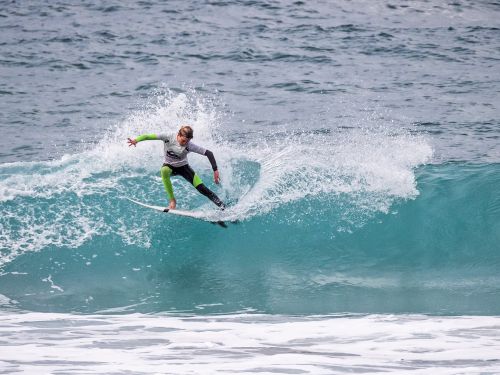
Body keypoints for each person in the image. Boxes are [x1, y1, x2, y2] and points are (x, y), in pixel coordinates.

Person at [127, 125, 225, 210]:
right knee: (164, 170)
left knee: (202, 189)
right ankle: (172, 201)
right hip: (169, 166)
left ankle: (222, 206)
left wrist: (215, 171)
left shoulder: (189, 145)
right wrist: (136, 140)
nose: (185, 143)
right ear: (178, 135)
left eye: (187, 141)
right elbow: (147, 136)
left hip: (184, 168)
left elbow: (209, 153)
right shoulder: (168, 136)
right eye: (183, 140)